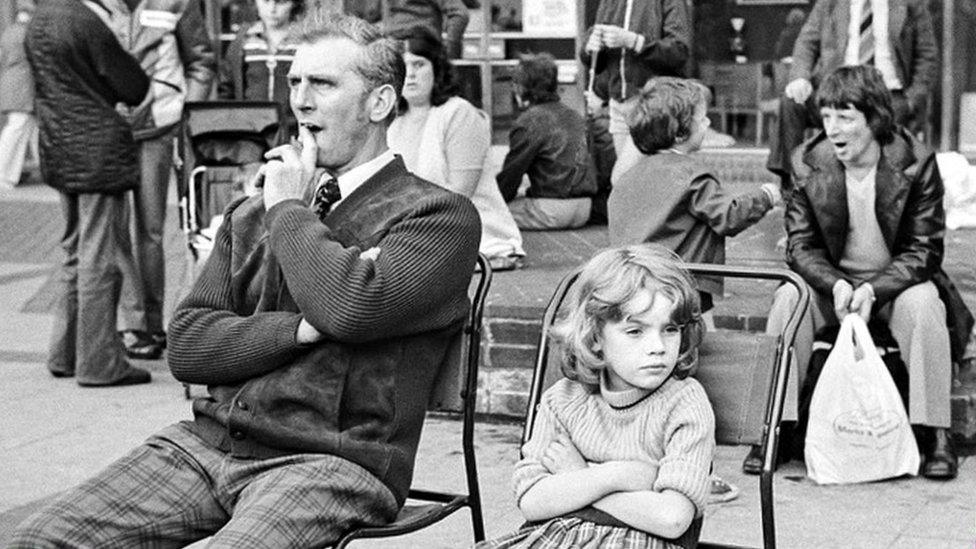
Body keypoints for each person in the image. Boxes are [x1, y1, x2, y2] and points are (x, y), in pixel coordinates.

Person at [10, 11, 482, 547]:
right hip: (208, 445)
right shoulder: (250, 212)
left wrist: (287, 208)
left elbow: (350, 309)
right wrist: (301, 330)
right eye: (295, 83)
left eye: (323, 84)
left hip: (333, 460)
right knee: (39, 538)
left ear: (378, 103)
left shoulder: (436, 215)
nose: (300, 100)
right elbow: (187, 347)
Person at [759, 65, 974, 480]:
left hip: (894, 284)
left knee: (927, 304)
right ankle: (775, 429)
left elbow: (924, 251)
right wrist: (836, 283)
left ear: (874, 118)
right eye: (826, 117)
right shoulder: (806, 162)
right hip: (831, 283)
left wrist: (875, 289)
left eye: (846, 117)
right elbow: (801, 248)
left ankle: (935, 432)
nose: (833, 129)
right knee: (789, 299)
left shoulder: (917, 163)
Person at [477, 244, 714, 548]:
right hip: (556, 538)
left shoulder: (684, 403)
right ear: (596, 336)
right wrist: (618, 475)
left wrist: (577, 476)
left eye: (670, 329)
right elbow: (532, 501)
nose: (658, 346)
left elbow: (672, 518)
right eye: (635, 332)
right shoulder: (563, 400)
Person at [25, 0, 151, 384]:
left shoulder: (40, 20)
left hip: (59, 143)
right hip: (96, 148)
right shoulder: (87, 23)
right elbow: (134, 86)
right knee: (99, 256)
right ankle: (99, 363)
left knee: (75, 250)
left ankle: (65, 354)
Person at [93, 0, 216, 360]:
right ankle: (133, 323)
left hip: (160, 129)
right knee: (114, 229)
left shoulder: (177, 2)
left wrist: (185, 115)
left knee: (151, 231)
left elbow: (201, 61)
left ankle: (151, 323)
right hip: (109, 129)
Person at [609, 77, 780, 318]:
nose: (708, 122)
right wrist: (765, 196)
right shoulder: (691, 174)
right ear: (680, 133)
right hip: (679, 286)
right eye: (702, 119)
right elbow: (729, 216)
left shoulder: (627, 178)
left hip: (631, 285)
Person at [387, 25, 525, 270]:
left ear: (437, 68)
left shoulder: (459, 113)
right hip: (410, 234)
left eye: (419, 65)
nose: (410, 75)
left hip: (468, 234)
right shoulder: (393, 121)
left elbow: (460, 198)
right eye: (402, 67)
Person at [765, 0, 938, 192]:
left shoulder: (910, 4)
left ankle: (885, 193)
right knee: (792, 103)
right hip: (834, 91)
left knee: (891, 132)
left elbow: (927, 56)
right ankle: (792, 186)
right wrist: (800, 78)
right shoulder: (830, 4)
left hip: (886, 96)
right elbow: (806, 43)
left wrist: (912, 100)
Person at [496, 53, 597, 230]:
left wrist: (493, 201)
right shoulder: (576, 116)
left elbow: (510, 177)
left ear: (522, 87)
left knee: (485, 211)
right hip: (585, 209)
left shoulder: (529, 122)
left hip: (551, 210)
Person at [580, 0, 691, 158]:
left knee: (626, 175)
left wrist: (635, 41)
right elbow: (598, 60)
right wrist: (590, 47)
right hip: (619, 105)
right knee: (629, 178)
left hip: (654, 105)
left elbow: (679, 52)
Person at [218, 0, 304, 108]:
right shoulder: (243, 40)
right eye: (266, 1)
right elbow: (227, 88)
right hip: (251, 121)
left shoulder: (304, 41)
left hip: (292, 121)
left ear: (294, 3)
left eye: (281, 2)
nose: (272, 9)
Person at [0, 0, 38, 189]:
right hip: (23, 88)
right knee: (17, 128)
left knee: (25, 129)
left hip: (11, 86)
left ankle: (9, 174)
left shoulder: (10, 32)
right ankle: (4, 175)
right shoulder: (27, 33)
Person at [350, 0, 470, 58]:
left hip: (421, 49)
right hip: (391, 50)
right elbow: (370, 15)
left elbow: (460, 14)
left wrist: (451, 52)